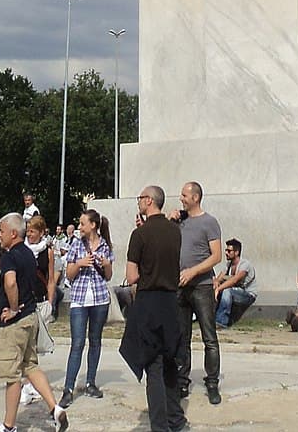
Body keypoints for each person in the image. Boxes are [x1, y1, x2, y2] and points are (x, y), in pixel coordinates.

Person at [0, 212, 67, 432]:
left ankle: (8, 426)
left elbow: (11, 283)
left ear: (13, 233)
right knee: (30, 365)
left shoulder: (11, 255)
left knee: (11, 374)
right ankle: (55, 409)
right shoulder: (28, 254)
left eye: (2, 231)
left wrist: (13, 308)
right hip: (31, 317)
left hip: (14, 323)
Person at [120, 186, 185, 432]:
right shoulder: (175, 232)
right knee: (170, 361)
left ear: (148, 201)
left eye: (139, 198)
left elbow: (132, 275)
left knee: (153, 366)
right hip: (171, 301)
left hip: (149, 302)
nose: (138, 202)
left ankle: (159, 426)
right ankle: (176, 419)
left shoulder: (140, 235)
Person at [171, 182, 222, 405]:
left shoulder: (209, 222)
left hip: (201, 286)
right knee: (182, 337)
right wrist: (170, 219)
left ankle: (212, 382)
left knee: (209, 336)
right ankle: (182, 380)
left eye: (184, 195)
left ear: (195, 197)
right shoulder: (180, 221)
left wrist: (193, 271)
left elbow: (216, 256)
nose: (181, 198)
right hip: (181, 286)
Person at [60, 208, 113, 406]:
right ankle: (68, 388)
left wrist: (106, 263)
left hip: (100, 299)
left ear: (93, 225)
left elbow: (108, 275)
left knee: (96, 341)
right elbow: (69, 275)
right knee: (77, 344)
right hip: (80, 300)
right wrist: (80, 263)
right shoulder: (76, 244)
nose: (79, 227)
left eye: (83, 224)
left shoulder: (105, 245)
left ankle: (91, 382)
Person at [214, 239, 256, 328]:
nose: (226, 253)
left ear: (236, 252)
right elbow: (219, 279)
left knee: (226, 291)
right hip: (234, 292)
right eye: (226, 250)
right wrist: (216, 284)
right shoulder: (228, 264)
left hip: (247, 295)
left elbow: (234, 280)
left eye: (229, 251)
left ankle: (221, 322)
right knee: (214, 288)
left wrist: (218, 289)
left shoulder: (245, 265)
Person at [24, 216, 55, 306]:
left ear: (41, 233)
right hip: (24, 297)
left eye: (32, 231)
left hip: (40, 297)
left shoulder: (48, 252)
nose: (28, 234)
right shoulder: (22, 249)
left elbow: (51, 280)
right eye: (27, 231)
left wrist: (50, 303)